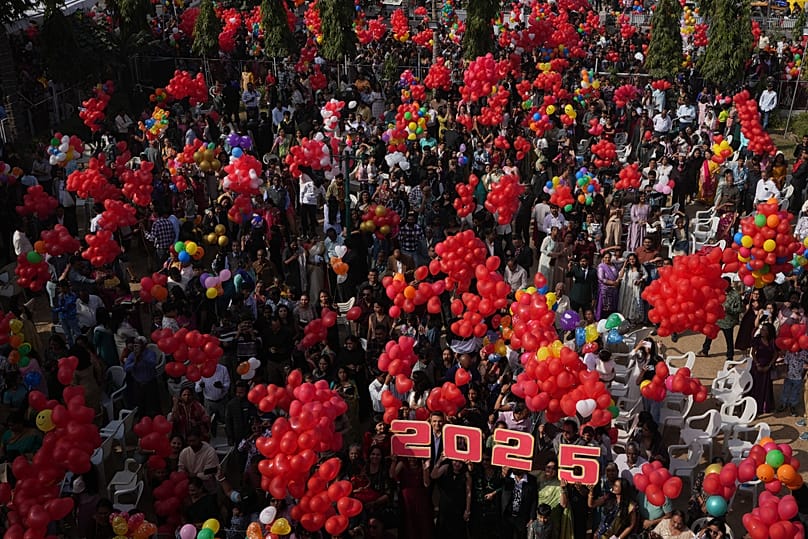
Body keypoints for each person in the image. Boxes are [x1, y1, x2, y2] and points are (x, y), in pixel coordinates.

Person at [698, 278, 742, 362]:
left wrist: (728, 310)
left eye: (726, 284)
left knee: (729, 340)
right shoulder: (718, 292)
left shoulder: (736, 295)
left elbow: (739, 309)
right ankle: (705, 350)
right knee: (709, 335)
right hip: (717, 320)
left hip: (728, 322)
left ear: (730, 284)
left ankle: (730, 357)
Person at [429, 457, 472, 538]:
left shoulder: (466, 474)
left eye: (460, 462)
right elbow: (433, 475)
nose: (457, 464)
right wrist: (439, 461)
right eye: (455, 461)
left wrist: (467, 510)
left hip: (458, 509)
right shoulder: (446, 467)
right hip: (445, 507)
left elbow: (468, 493)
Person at [502, 466, 538, 539]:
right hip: (507, 515)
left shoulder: (531, 480)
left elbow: (534, 499)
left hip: (522, 517)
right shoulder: (507, 476)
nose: (515, 468)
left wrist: (531, 518)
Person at [750, 322, 777, 415]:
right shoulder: (757, 340)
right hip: (757, 366)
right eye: (762, 329)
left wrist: (769, 366)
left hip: (767, 367)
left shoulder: (773, 341)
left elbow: (775, 354)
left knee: (765, 387)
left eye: (765, 330)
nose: (762, 331)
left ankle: (764, 406)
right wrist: (757, 364)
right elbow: (753, 353)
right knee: (756, 386)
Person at [617, 253, 647, 325]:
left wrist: (640, 280)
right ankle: (626, 319)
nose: (632, 260)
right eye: (630, 259)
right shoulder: (627, 268)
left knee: (635, 303)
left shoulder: (640, 267)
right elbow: (620, 276)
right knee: (626, 303)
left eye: (633, 259)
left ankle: (633, 320)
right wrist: (624, 265)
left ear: (636, 259)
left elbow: (646, 275)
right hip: (627, 288)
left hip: (636, 288)